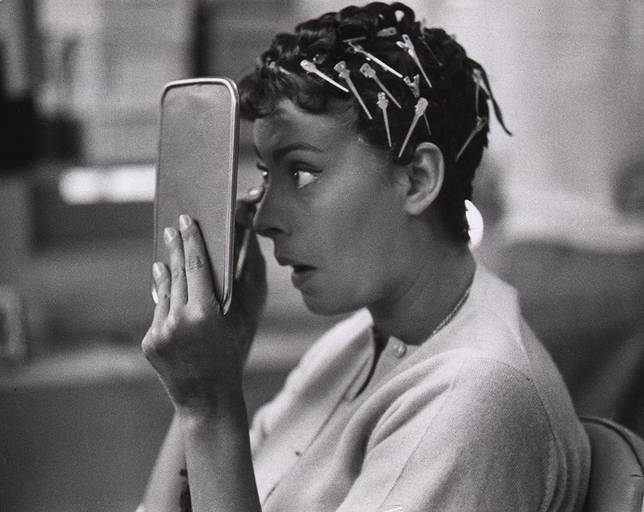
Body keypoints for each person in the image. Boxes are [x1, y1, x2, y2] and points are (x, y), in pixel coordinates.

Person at [139, 3, 590, 511]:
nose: (263, 218)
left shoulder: (476, 396)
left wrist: (209, 405)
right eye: (266, 174)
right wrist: (217, 366)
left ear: (417, 180)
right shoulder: (352, 343)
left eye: (302, 172)